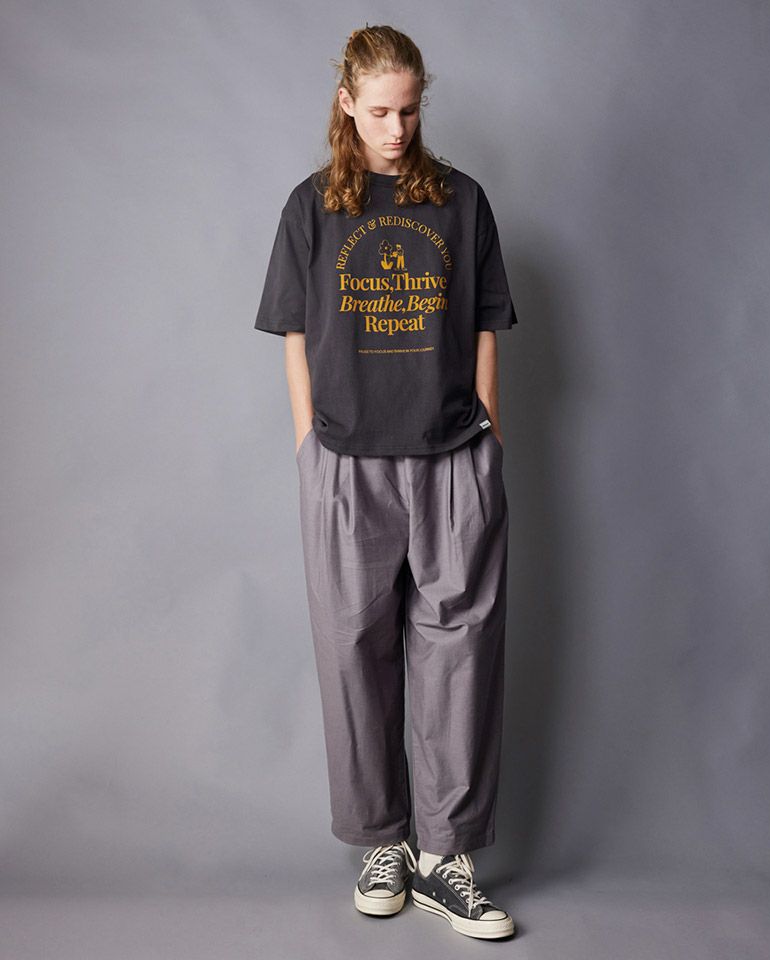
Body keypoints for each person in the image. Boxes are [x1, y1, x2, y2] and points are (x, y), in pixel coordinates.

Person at [254, 24, 518, 941]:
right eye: (379, 112)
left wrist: (489, 433)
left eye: (409, 111)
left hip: (452, 458)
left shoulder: (461, 200)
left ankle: (448, 859)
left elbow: (486, 322)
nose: (396, 130)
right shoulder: (311, 207)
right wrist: (307, 445)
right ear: (346, 104)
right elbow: (294, 333)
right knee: (352, 652)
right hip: (346, 463)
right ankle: (382, 843)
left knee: (462, 653)